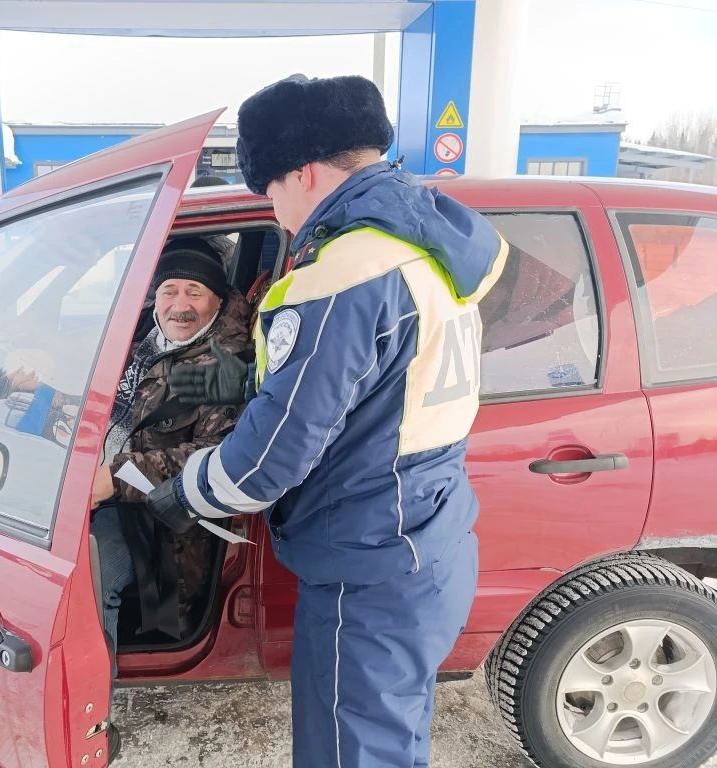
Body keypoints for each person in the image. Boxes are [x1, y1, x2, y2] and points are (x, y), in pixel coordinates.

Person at [147, 74, 509, 768]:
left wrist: (186, 491)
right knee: (390, 738)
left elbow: (268, 462)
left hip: (367, 567)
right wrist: (245, 383)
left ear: (303, 172)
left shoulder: (345, 273)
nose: (275, 210)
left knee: (349, 754)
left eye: (270, 191)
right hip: (429, 538)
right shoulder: (427, 246)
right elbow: (383, 378)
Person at [88, 237, 252, 665]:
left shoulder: (225, 367)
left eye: (194, 292)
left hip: (158, 519)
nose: (180, 306)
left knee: (86, 580)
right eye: (169, 290)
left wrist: (114, 477)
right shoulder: (144, 337)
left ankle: (87, 695)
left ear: (217, 300)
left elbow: (215, 458)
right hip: (99, 487)